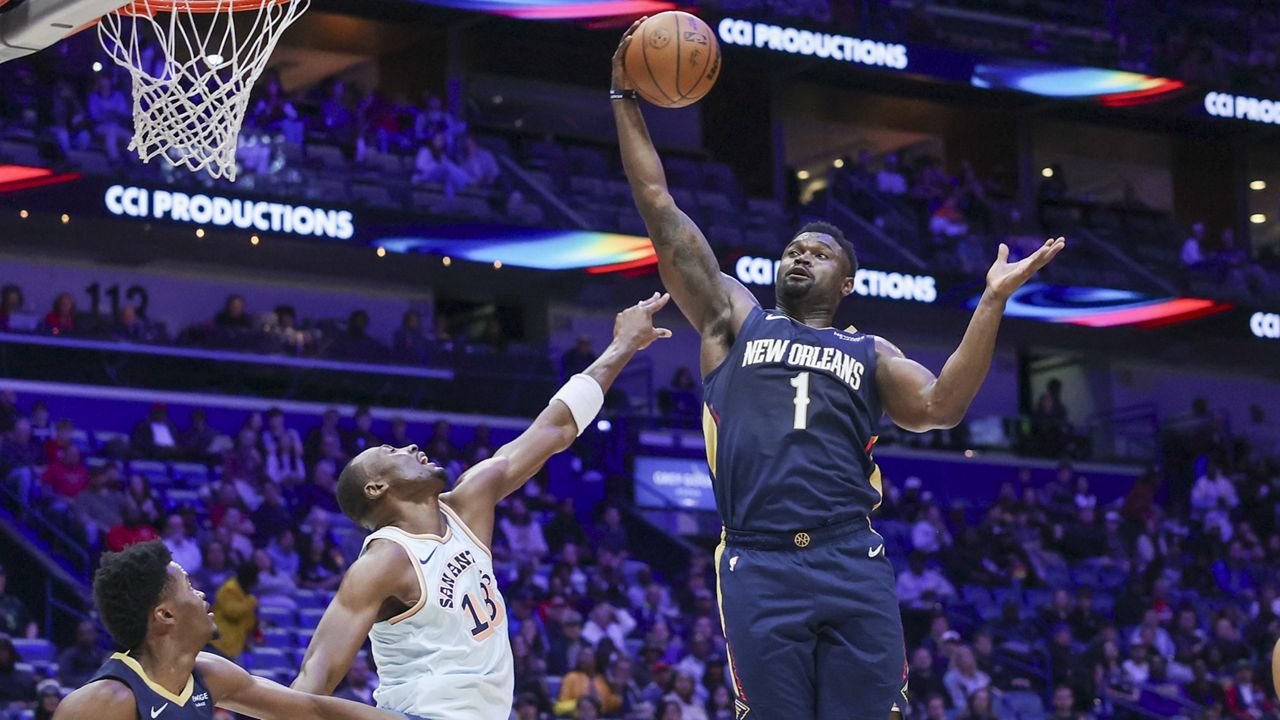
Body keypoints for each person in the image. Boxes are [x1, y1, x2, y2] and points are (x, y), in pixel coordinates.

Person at [611, 20, 1065, 720]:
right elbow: (662, 209)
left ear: (846, 282)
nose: (800, 255)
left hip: (850, 557)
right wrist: (623, 95)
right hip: (759, 563)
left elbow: (942, 406)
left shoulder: (871, 353)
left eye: (818, 253)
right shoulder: (736, 321)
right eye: (793, 248)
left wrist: (992, 301)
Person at [291, 294, 671, 720]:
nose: (410, 446)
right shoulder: (384, 562)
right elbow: (315, 677)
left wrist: (621, 346)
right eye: (392, 449)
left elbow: (556, 426)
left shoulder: (470, 502)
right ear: (378, 487)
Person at [51, 541, 406, 720]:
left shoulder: (209, 674)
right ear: (165, 614)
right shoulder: (102, 702)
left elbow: (314, 710)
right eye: (189, 586)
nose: (203, 593)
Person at [58, 620, 107, 688]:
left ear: (96, 634)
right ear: (77, 636)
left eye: (89, 633)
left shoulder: (102, 654)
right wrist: (90, 682)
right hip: (77, 690)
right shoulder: (69, 654)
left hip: (98, 688)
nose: (86, 637)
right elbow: (65, 677)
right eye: (82, 633)